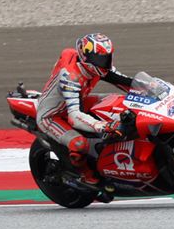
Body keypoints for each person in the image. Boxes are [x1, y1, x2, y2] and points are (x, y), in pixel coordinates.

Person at [35, 33, 133, 185]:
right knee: (79, 144)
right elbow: (74, 116)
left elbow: (124, 81)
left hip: (78, 100)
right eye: (100, 59)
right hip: (52, 115)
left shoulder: (97, 67)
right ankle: (84, 175)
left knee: (118, 101)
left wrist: (150, 88)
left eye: (107, 58)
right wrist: (104, 126)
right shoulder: (70, 76)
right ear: (85, 56)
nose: (104, 63)